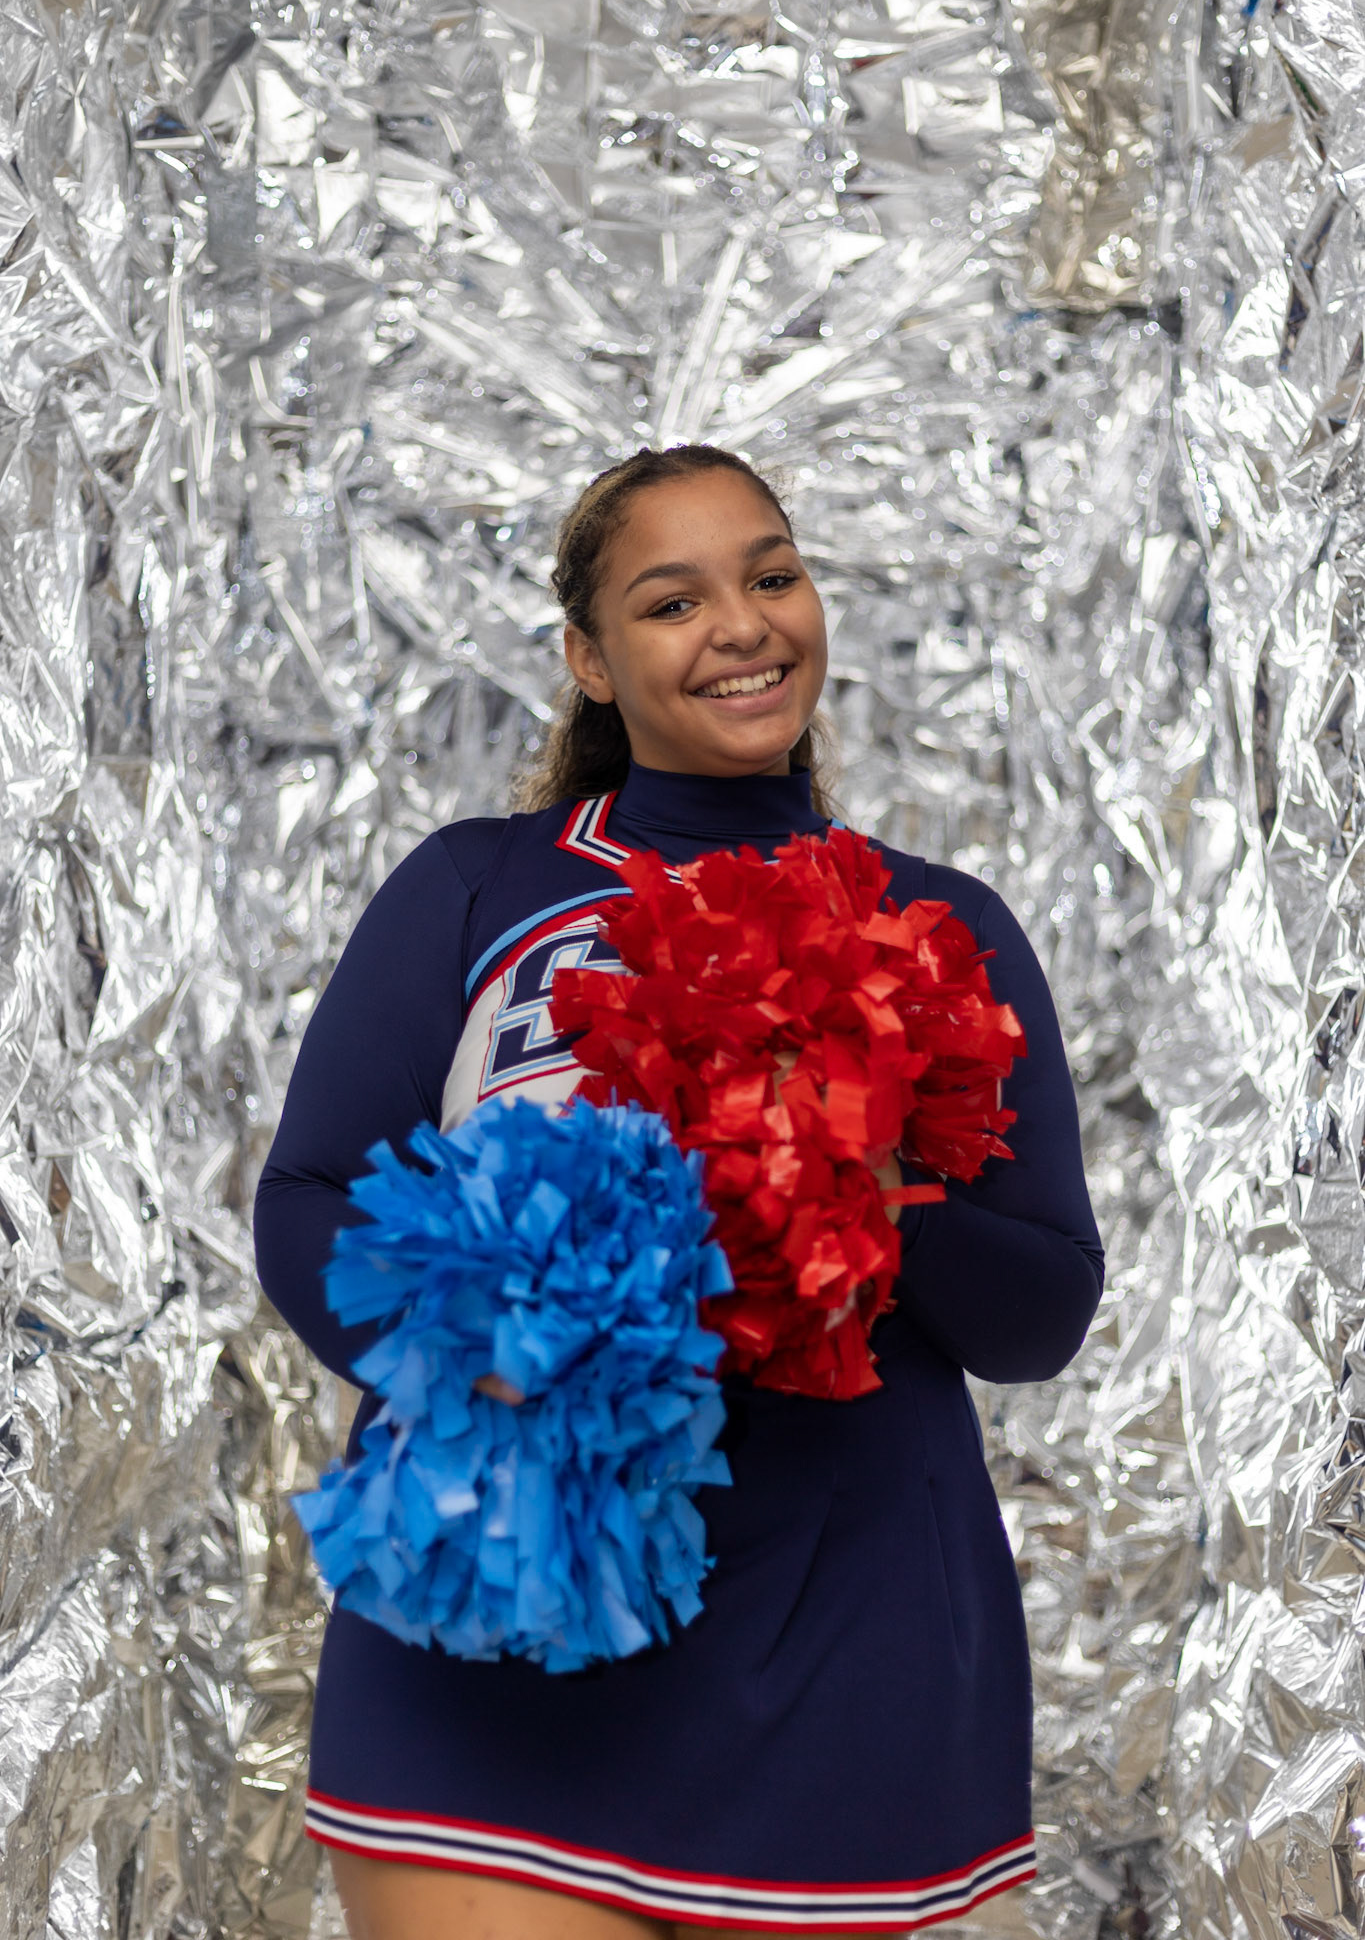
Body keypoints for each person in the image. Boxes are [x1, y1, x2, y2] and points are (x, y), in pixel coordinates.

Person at [254, 444, 1105, 1940]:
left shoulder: (939, 926)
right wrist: (489, 1349)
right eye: (671, 600)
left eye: (771, 575)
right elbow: (309, 1199)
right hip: (502, 1641)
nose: (743, 624)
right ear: (590, 659)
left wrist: (859, 1196)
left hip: (844, 1651)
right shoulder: (477, 886)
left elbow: (1040, 1309)